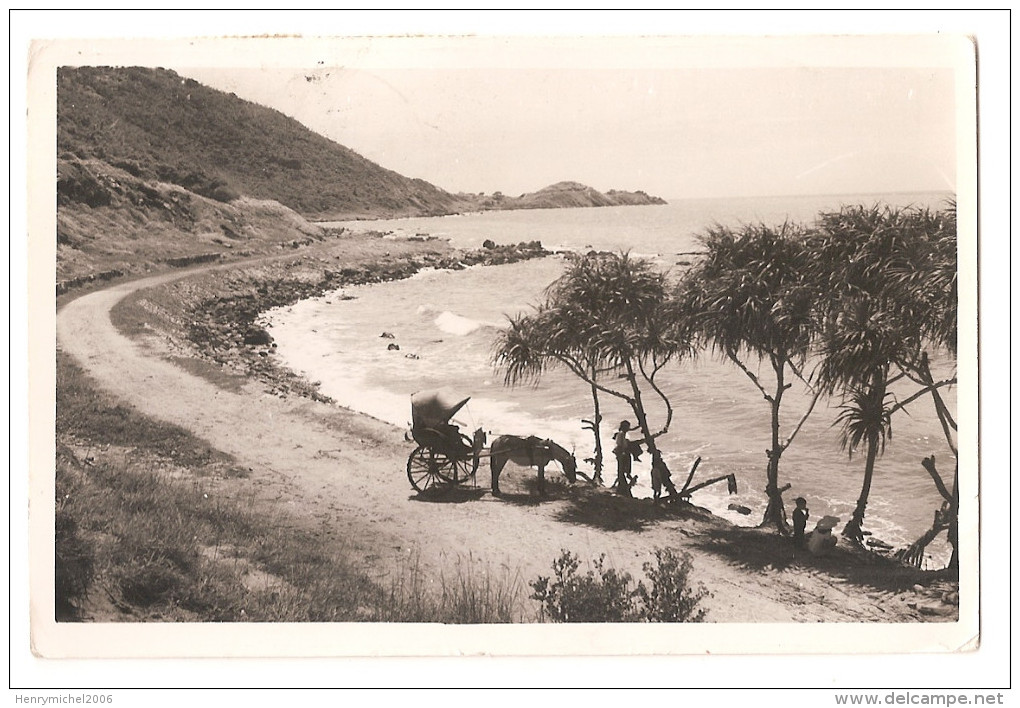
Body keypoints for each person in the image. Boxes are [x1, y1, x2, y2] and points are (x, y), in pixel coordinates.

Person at [613, 420, 636, 497]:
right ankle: (623, 488)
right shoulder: (621, 434)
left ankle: (624, 484)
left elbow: (632, 429)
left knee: (623, 471)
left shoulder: (623, 432)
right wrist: (622, 453)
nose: (628, 428)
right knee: (622, 470)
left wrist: (639, 426)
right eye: (627, 427)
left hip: (623, 453)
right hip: (622, 453)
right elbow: (620, 445)